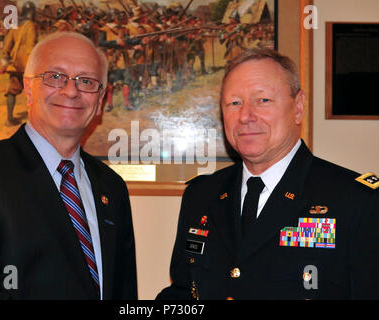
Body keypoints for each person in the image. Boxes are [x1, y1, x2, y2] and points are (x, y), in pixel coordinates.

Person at [157, 48, 379, 300]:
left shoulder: (356, 201)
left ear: (298, 107)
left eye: (262, 100)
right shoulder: (201, 195)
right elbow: (185, 292)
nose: (245, 116)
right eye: (234, 103)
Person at [0, 32, 137, 300]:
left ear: (101, 99)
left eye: (86, 81)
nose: (71, 91)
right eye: (55, 77)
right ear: (28, 87)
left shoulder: (112, 187)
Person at [1, 1, 37, 126]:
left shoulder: (15, 25)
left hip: (15, 63)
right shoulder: (31, 25)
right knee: (35, 91)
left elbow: (7, 46)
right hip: (27, 65)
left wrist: (5, 62)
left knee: (12, 90)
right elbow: (30, 46)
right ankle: (34, 121)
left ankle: (9, 119)